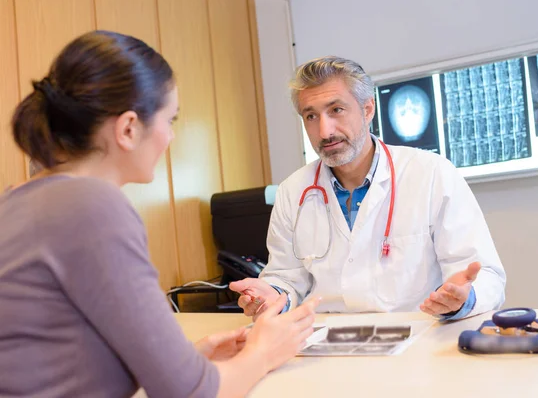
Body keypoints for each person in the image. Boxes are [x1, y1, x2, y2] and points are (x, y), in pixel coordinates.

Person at [0, 30, 320, 398]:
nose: (169, 137)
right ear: (129, 128)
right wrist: (264, 352)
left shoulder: (17, 202)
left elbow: (62, 360)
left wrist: (188, 360)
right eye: (170, 121)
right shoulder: (92, 207)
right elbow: (192, 395)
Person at [230, 56, 506, 321]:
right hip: (326, 343)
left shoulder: (431, 173)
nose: (325, 131)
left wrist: (463, 298)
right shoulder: (293, 191)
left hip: (416, 338)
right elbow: (286, 279)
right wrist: (272, 295)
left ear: (367, 109)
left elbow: (484, 275)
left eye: (336, 110)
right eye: (311, 116)